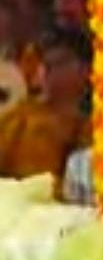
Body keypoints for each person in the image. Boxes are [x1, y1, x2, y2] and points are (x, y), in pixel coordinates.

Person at [0, 28, 90, 182]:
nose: (47, 71)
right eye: (46, 64)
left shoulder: (99, 125)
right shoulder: (20, 120)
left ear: (86, 70)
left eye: (59, 63)